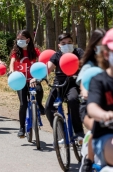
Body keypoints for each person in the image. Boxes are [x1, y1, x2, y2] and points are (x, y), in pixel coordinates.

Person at [76, 29, 107, 172]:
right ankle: (88, 161)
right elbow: (84, 82)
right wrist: (85, 91)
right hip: (89, 106)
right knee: (97, 126)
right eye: (100, 45)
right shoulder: (89, 65)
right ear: (94, 46)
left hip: (109, 106)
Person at [46, 33, 85, 140]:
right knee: (49, 108)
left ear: (73, 43)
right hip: (59, 84)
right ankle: (59, 132)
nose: (67, 45)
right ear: (59, 45)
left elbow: (86, 64)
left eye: (69, 42)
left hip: (73, 83)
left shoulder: (79, 52)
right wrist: (38, 77)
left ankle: (79, 132)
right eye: (63, 43)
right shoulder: (56, 55)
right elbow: (48, 68)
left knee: (73, 100)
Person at [8, 30, 45, 138]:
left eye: (22, 39)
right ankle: (22, 128)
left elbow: (41, 62)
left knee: (39, 91)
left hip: (33, 79)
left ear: (28, 40)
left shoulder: (35, 51)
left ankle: (40, 105)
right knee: (23, 104)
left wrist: (38, 76)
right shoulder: (15, 51)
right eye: (18, 39)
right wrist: (11, 71)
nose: (19, 41)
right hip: (20, 81)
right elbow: (12, 63)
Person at [87, 28, 113, 168]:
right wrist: (104, 114)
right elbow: (92, 107)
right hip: (105, 136)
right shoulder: (99, 81)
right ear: (106, 54)